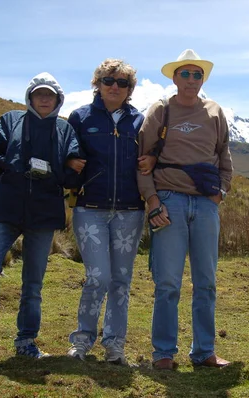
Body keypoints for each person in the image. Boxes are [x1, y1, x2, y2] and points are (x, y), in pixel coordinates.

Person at [0, 72, 84, 358]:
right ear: (30, 96)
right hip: (6, 210)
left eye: (50, 95)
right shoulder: (10, 121)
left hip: (44, 214)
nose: (44, 99)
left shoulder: (65, 132)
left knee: (33, 281)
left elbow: (74, 174)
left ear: (58, 100)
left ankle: (26, 342)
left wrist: (64, 170)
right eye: (39, 94)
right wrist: (10, 164)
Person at [137, 49, 233, 370]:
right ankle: (163, 353)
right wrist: (153, 203)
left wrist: (220, 192)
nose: (191, 80)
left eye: (197, 75)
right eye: (185, 74)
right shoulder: (160, 112)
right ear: (175, 77)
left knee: (206, 281)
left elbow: (224, 156)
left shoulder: (215, 112)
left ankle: (204, 350)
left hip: (206, 205)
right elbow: (143, 161)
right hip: (169, 201)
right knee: (168, 284)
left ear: (202, 79)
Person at [66, 59, 148, 365]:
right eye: (108, 80)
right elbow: (68, 155)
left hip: (130, 211)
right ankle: (82, 340)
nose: (115, 87)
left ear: (130, 89)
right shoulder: (80, 118)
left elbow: (150, 157)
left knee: (121, 281)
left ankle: (115, 345)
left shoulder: (140, 121)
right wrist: (71, 167)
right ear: (97, 84)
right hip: (90, 208)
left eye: (122, 83)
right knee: (97, 277)